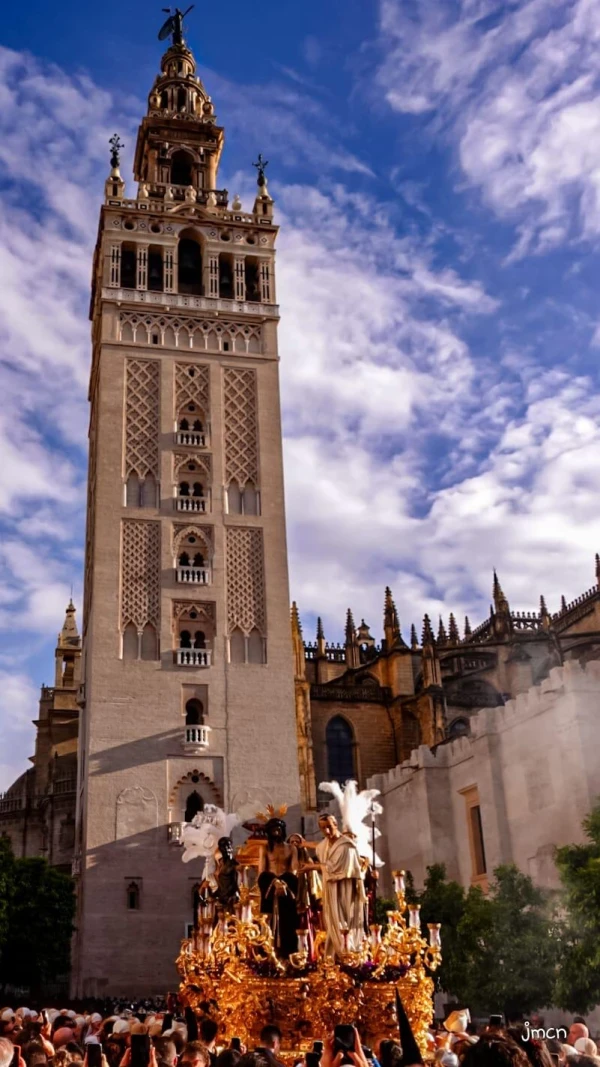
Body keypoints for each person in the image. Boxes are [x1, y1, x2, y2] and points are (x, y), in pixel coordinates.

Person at [309, 814, 366, 958]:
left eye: (329, 827)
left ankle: (349, 952)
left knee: (345, 919)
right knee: (332, 919)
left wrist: (312, 866)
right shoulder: (322, 846)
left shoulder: (347, 845)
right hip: (330, 888)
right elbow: (323, 859)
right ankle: (334, 953)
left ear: (335, 824)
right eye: (323, 828)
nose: (326, 831)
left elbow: (335, 868)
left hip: (345, 889)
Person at [257, 819, 299, 958]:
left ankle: (288, 954)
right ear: (268, 831)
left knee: (288, 921)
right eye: (273, 828)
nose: (276, 831)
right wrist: (274, 882)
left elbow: (294, 870)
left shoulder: (291, 848)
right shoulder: (265, 848)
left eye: (279, 828)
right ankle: (269, 954)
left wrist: (284, 884)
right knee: (269, 921)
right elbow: (262, 872)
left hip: (287, 888)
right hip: (270, 887)